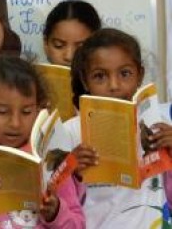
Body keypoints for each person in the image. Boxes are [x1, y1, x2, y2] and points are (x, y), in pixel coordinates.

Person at [0, 55, 83, 228]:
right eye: (3, 112)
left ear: (38, 110)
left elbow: (78, 224)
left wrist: (56, 212)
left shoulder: (51, 157)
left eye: (26, 112)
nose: (15, 123)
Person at [62, 28, 172, 228]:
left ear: (140, 75)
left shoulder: (160, 124)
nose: (114, 85)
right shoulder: (70, 133)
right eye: (100, 76)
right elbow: (62, 208)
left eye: (125, 73)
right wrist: (73, 173)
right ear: (85, 81)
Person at [42, 0, 101, 67]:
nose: (69, 57)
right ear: (45, 44)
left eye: (80, 48)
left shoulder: (111, 77)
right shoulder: (32, 76)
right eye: (59, 45)